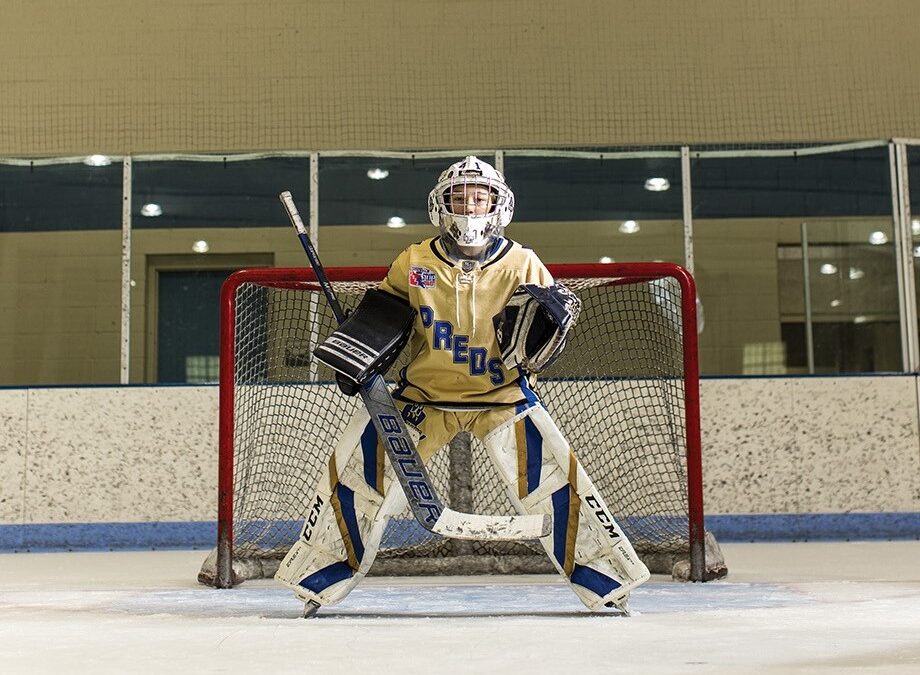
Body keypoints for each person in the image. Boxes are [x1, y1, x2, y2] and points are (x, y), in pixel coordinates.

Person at [275, 156, 650, 614]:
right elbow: (384, 318)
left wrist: (548, 331)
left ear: (498, 204)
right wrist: (361, 348)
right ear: (441, 204)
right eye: (459, 197)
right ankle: (315, 579)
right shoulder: (414, 261)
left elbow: (552, 329)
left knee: (557, 484)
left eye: (480, 197)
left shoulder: (523, 263)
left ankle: (608, 583)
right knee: (358, 476)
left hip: (503, 398)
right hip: (423, 400)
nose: (469, 207)